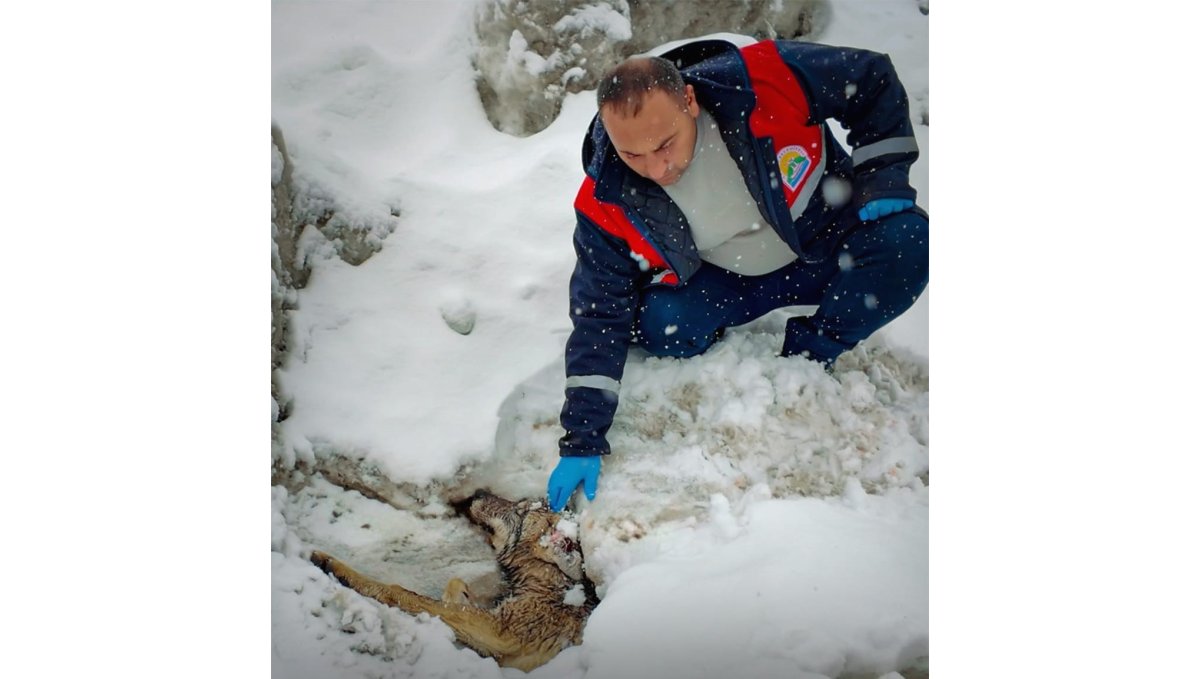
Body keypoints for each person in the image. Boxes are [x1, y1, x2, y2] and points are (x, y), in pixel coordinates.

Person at [545, 37, 929, 512]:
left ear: (688, 98)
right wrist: (582, 437)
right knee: (659, 324)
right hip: (732, 278)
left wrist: (884, 176)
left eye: (665, 145)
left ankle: (815, 349)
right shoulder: (606, 193)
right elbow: (599, 310)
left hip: (823, 241)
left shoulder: (761, 79)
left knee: (910, 244)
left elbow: (871, 77)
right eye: (634, 156)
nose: (656, 168)